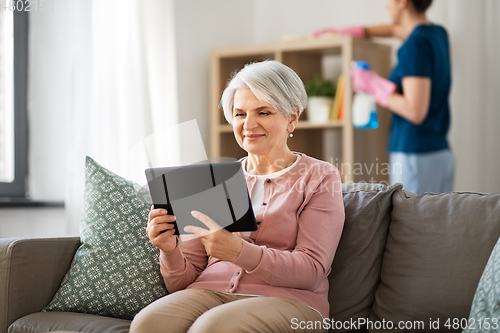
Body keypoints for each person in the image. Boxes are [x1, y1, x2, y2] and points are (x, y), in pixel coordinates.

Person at [130, 60, 345, 333]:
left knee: (212, 328)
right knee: (148, 323)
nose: (248, 124)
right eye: (240, 113)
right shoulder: (210, 179)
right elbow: (183, 281)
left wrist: (239, 252)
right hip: (208, 292)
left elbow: (312, 269)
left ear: (292, 117)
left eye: (264, 112)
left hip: (290, 301)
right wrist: (169, 250)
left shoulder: (320, 176)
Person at [317, 0, 455, 194]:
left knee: (410, 222)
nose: (386, 6)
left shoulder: (415, 44)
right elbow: (393, 30)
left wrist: (372, 84)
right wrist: (350, 32)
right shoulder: (436, 33)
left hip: (414, 154)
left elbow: (415, 111)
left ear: (402, 3)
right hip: (438, 153)